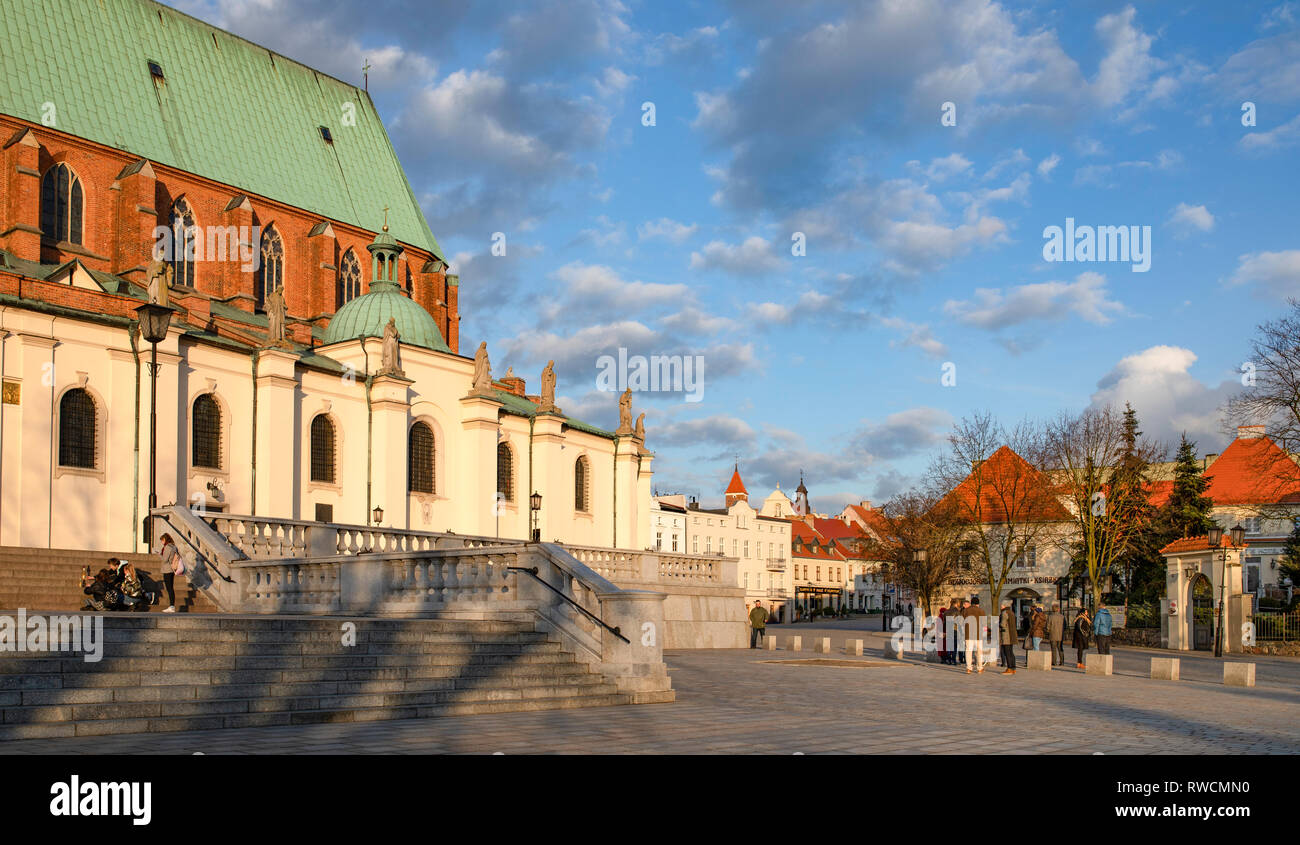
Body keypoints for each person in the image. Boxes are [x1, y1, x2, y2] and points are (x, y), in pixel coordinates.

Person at [157, 533, 183, 613]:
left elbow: (165, 559)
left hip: (167, 569)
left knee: (169, 588)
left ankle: (172, 606)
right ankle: (172, 606)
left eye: (162, 540)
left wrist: (159, 554)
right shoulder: (174, 546)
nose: (162, 542)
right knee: (170, 588)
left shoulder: (168, 547)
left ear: (165, 539)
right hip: (172, 569)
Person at [961, 598, 984, 674]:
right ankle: (980, 668)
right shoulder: (981, 611)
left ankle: (969, 668)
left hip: (968, 634)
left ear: (971, 603)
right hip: (978, 634)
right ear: (978, 604)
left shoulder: (965, 611)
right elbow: (983, 624)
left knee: (968, 651)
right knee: (979, 651)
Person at [998, 601, 1018, 674]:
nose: (1000, 606)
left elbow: (1003, 624)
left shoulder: (1004, 613)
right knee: (1011, 652)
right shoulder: (1011, 612)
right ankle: (1013, 667)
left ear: (1004, 606)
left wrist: (998, 624)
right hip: (1012, 635)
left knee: (1007, 652)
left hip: (1006, 635)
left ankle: (1009, 668)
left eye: (1001, 605)